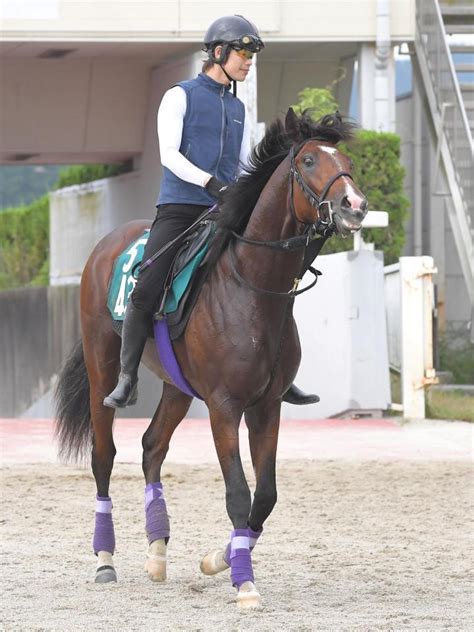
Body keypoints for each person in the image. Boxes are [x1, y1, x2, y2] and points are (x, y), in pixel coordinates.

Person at [104, 15, 319, 409]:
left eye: (251, 55)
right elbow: (169, 155)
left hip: (225, 210)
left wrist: (245, 193)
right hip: (181, 209)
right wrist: (209, 183)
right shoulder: (179, 96)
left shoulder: (237, 108)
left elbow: (241, 164)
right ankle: (127, 376)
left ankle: (280, 374)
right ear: (218, 53)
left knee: (273, 275)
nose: (247, 62)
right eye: (242, 53)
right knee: (148, 285)